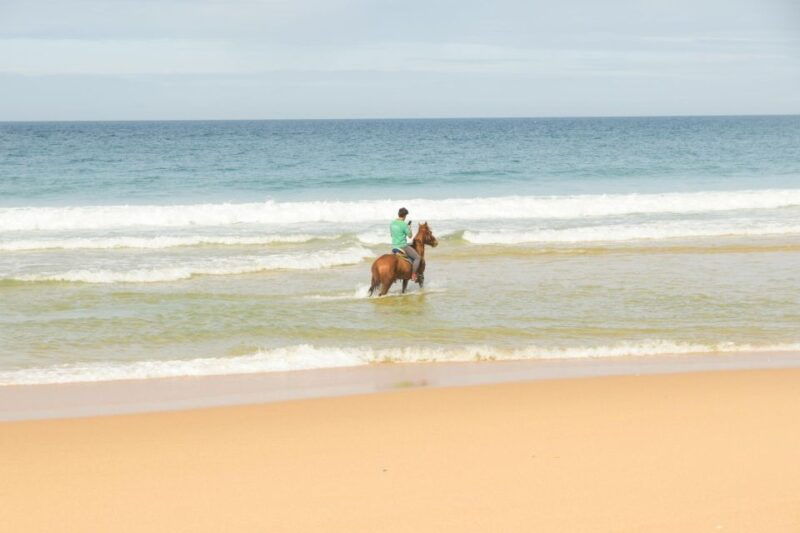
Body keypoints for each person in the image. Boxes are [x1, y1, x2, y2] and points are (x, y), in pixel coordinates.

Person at [390, 207, 420, 281]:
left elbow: (392, 235)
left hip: (394, 247)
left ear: (399, 214)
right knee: (417, 258)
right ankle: (413, 275)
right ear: (405, 216)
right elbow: (410, 236)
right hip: (402, 246)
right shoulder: (404, 224)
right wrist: (409, 227)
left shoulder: (392, 223)